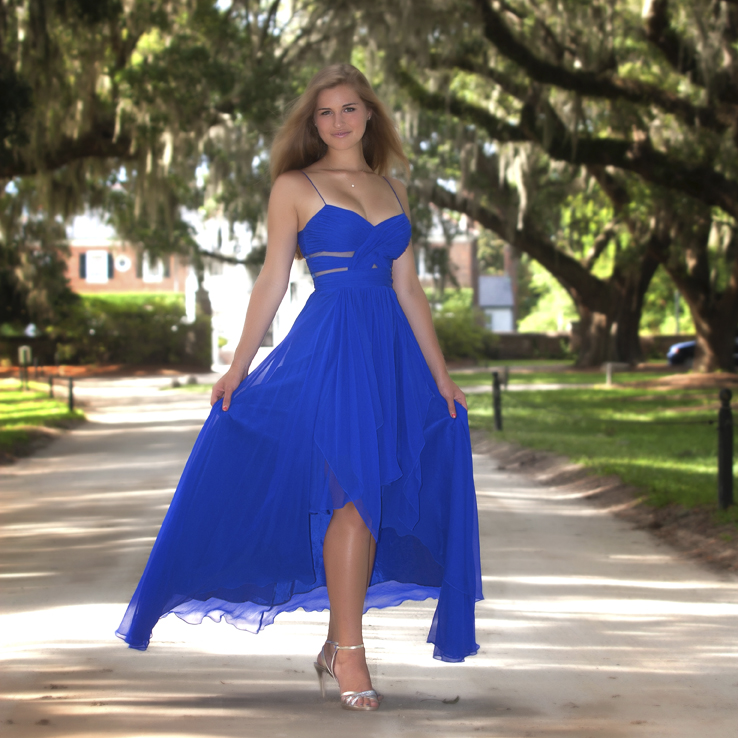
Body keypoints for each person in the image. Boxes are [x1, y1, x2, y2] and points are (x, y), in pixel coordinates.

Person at [117, 64, 483, 712]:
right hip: (332, 351)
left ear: (369, 114)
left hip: (389, 354)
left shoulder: (394, 189)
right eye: (325, 113)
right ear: (312, 123)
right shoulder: (295, 186)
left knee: (370, 505)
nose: (338, 121)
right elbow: (273, 281)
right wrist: (236, 365)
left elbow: (409, 289)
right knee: (351, 499)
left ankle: (339, 639)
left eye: (349, 109)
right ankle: (350, 654)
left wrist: (441, 376)